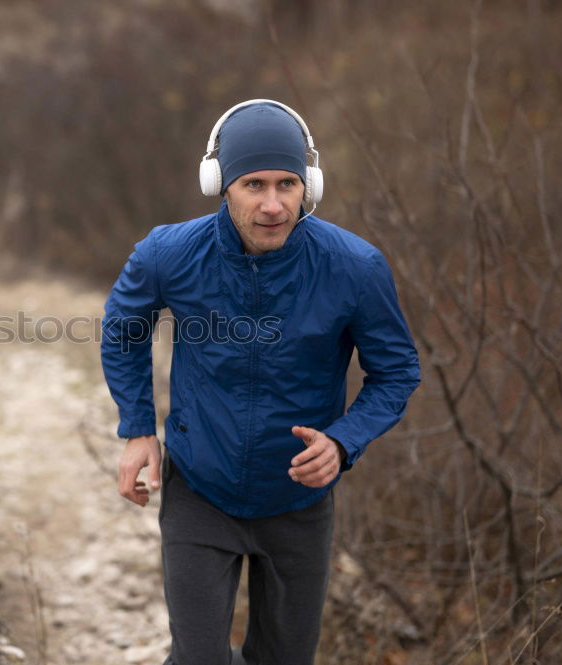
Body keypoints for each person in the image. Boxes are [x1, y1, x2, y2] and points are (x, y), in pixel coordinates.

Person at [99, 99, 421, 665]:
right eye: (253, 184)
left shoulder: (355, 267)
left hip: (299, 498)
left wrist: (345, 439)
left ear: (309, 186)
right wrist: (137, 428)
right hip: (201, 487)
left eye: (287, 184)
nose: (273, 205)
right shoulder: (168, 254)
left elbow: (396, 371)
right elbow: (123, 331)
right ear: (219, 183)